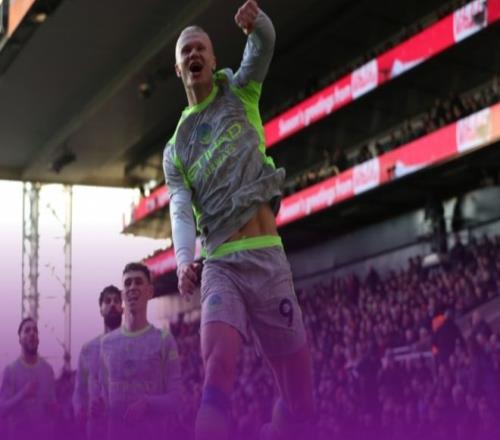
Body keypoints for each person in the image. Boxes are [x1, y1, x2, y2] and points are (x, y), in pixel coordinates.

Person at [163, 1, 315, 439]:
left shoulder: (240, 91)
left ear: (213, 61)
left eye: (201, 48)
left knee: (301, 403)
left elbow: (264, 44)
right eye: (186, 51)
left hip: (267, 259)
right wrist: (184, 260)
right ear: (179, 69)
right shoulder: (175, 148)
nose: (194, 54)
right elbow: (180, 207)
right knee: (217, 373)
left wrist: (258, 23)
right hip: (221, 264)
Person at [99, 262, 182, 440]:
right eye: (127, 283)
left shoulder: (164, 339)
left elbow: (176, 399)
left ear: (150, 291)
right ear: (123, 294)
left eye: (138, 282)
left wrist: (148, 403)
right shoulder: (106, 344)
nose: (132, 287)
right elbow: (105, 399)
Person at [73, 285, 123, 439]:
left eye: (116, 301)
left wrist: (109, 407)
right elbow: (79, 390)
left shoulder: (133, 346)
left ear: (122, 308)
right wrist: (79, 410)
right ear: (101, 310)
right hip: (95, 431)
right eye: (107, 301)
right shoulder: (88, 349)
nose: (112, 304)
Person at [0, 317, 57, 440]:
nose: (32, 333)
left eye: (35, 330)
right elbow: (2, 409)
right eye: (27, 330)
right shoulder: (10, 371)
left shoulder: (48, 370)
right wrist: (22, 394)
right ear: (19, 339)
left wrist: (55, 409)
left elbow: (52, 406)